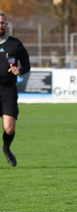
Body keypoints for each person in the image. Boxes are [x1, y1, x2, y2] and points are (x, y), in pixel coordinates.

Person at [0, 11, 30, 167]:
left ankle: (6, 147)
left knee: (9, 128)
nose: (0, 25)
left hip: (8, 90)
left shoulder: (15, 44)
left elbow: (27, 65)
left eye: (2, 23)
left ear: (6, 24)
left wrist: (20, 71)